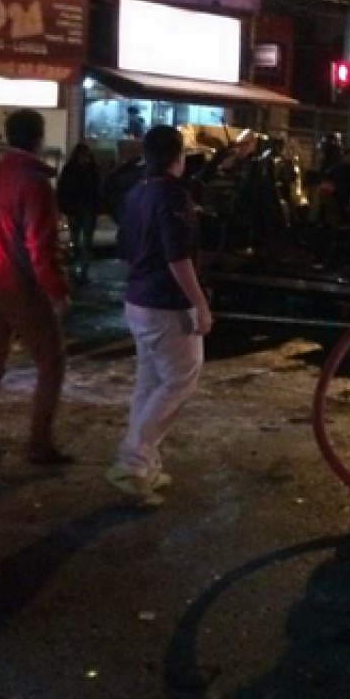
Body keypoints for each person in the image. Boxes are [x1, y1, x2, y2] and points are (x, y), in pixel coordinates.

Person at [106, 125, 213, 505]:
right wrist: (200, 304)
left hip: (138, 300)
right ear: (178, 157)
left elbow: (125, 249)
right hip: (167, 305)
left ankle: (144, 466)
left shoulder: (136, 192)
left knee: (150, 382)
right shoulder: (172, 195)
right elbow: (177, 256)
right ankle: (133, 461)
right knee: (180, 380)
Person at [0, 109, 71, 466]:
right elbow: (41, 245)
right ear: (39, 138)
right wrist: (56, 290)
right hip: (19, 284)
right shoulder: (34, 183)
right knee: (51, 361)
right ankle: (39, 443)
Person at [57, 142, 103, 284]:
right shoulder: (89, 170)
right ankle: (78, 271)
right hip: (79, 209)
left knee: (82, 240)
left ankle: (80, 271)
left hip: (82, 208)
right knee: (78, 240)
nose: (85, 159)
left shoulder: (75, 170)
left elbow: (62, 189)